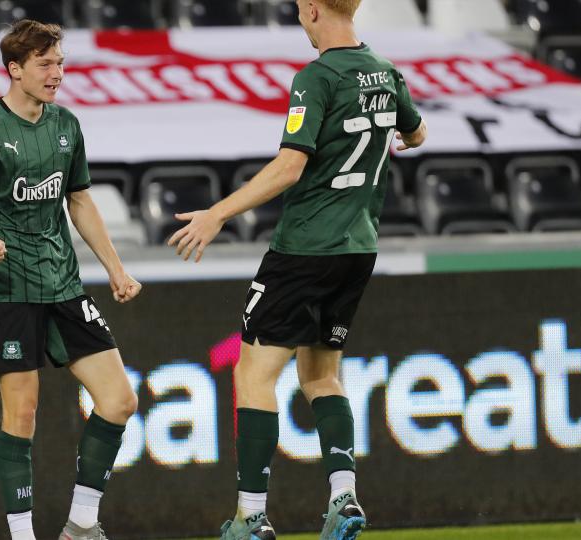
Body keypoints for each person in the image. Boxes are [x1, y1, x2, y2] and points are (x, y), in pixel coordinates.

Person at [167, 1, 427, 539]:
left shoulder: (316, 77)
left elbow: (290, 165)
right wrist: (396, 138)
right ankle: (343, 498)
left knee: (252, 375)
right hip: (358, 248)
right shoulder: (386, 71)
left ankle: (251, 516)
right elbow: (417, 134)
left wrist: (217, 213)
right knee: (322, 375)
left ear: (312, 10)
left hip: (305, 247)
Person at [0, 19, 142, 540]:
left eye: (60, 62)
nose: (57, 73)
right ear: (15, 69)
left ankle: (81, 523)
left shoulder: (67, 125)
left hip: (65, 287)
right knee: (22, 413)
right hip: (10, 291)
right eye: (45, 64)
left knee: (120, 399)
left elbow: (79, 201)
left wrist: (115, 267)